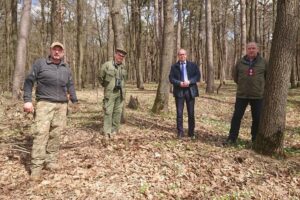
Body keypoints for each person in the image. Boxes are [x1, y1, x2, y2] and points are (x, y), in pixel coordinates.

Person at [23, 42, 78, 179]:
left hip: (61, 106)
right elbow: (29, 81)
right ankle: (36, 167)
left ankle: (51, 160)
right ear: (51, 51)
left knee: (56, 134)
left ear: (63, 53)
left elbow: (70, 84)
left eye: (60, 50)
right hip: (44, 104)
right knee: (41, 134)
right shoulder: (40, 64)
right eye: (55, 49)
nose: (57, 52)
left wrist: (75, 101)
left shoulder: (66, 68)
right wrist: (27, 100)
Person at [224, 42, 267, 145]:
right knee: (237, 117)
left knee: (257, 118)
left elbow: (267, 77)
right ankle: (232, 138)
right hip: (242, 95)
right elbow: (235, 77)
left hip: (258, 95)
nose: (251, 50)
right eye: (249, 48)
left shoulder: (264, 62)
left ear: (257, 49)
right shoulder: (240, 62)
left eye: (253, 48)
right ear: (246, 50)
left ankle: (255, 139)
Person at [169, 48, 201, 139]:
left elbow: (197, 76)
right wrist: (179, 83)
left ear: (186, 55)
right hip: (179, 91)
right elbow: (171, 79)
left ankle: (191, 133)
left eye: (183, 54)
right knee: (179, 113)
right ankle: (180, 132)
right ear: (178, 56)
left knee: (191, 113)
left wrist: (190, 81)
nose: (182, 56)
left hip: (190, 91)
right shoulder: (174, 67)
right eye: (180, 54)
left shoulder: (193, 65)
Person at [98, 48, 127, 138]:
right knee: (108, 111)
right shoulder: (107, 65)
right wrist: (107, 86)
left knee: (117, 112)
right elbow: (100, 77)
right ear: (115, 55)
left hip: (120, 92)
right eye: (119, 55)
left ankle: (115, 130)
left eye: (122, 56)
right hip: (110, 93)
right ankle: (107, 131)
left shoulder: (123, 67)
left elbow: (124, 79)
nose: (120, 57)